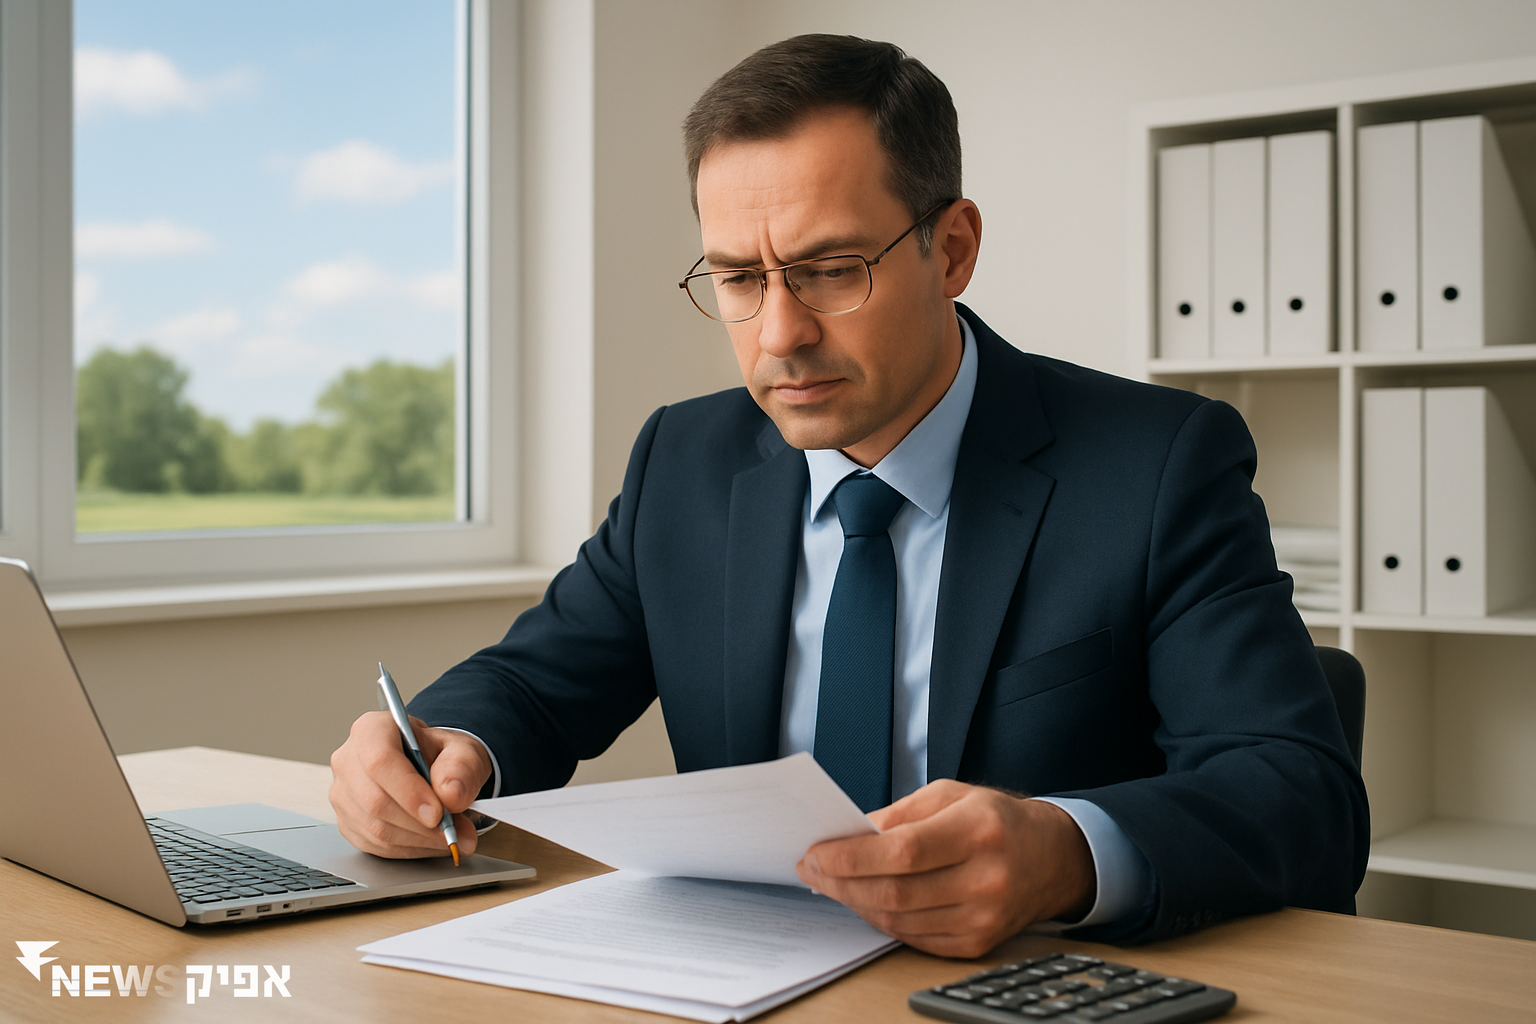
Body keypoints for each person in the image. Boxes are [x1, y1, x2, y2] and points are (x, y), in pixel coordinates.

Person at [329, 33, 1368, 956]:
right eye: (739, 278)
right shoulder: (684, 460)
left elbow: (1300, 797)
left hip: (1020, 987)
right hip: (743, 980)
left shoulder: (1155, 464)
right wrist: (440, 745)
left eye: (830, 270)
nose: (779, 334)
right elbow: (535, 684)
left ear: (951, 249)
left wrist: (1063, 853)